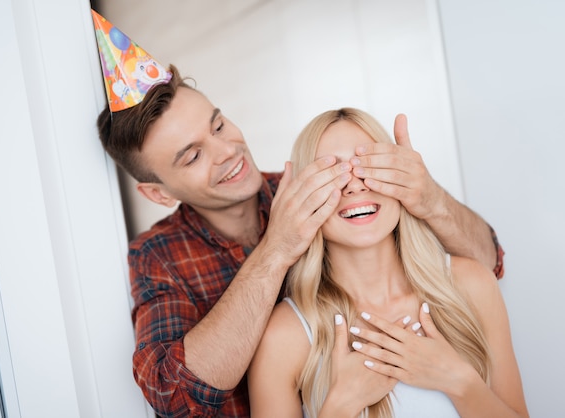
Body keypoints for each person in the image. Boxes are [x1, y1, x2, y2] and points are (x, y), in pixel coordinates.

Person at [92, 9, 504, 417]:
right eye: (194, 155)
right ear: (158, 194)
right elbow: (175, 397)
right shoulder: (158, 256)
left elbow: (487, 263)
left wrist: (428, 198)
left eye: (218, 126)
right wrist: (276, 249)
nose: (228, 151)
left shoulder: (310, 187)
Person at [247, 108, 527, 418]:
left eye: (368, 166)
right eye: (333, 174)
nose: (355, 185)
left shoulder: (472, 284)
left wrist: (459, 381)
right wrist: (341, 405)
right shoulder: (284, 337)